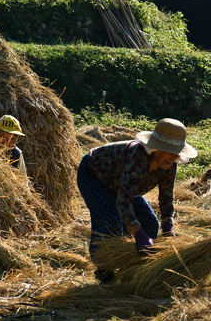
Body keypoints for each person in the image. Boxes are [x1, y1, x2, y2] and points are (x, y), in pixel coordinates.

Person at [77, 117, 198, 283]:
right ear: (158, 148)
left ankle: (133, 267)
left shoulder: (170, 164)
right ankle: (104, 271)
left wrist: (168, 228)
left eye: (177, 151)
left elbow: (166, 197)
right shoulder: (138, 158)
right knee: (111, 221)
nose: (175, 156)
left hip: (121, 184)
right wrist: (137, 233)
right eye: (171, 150)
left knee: (150, 223)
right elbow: (123, 201)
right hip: (94, 176)